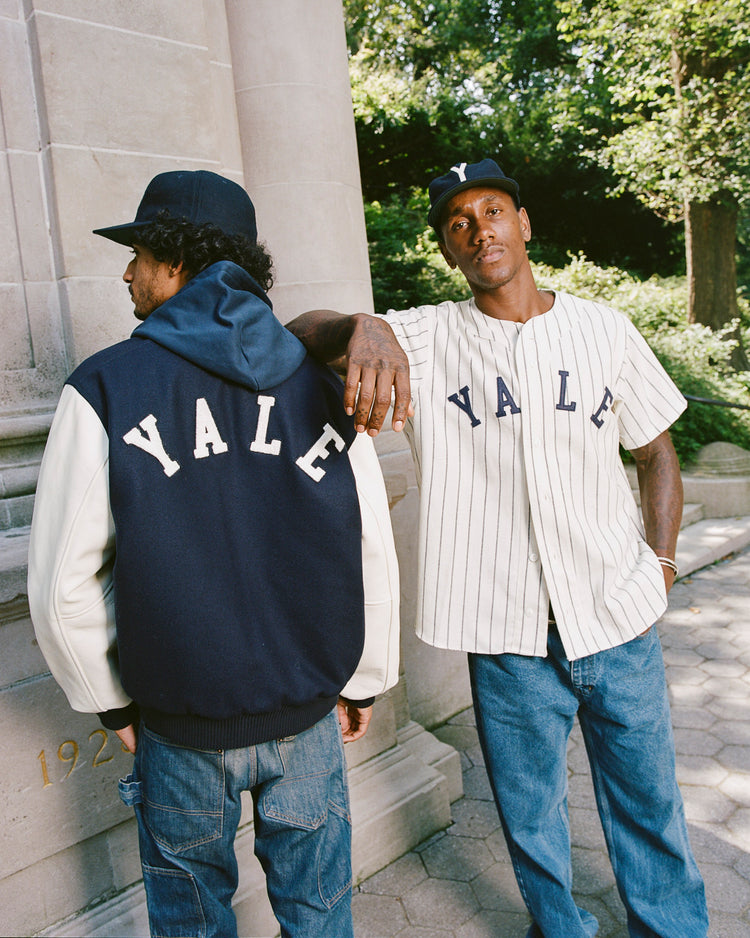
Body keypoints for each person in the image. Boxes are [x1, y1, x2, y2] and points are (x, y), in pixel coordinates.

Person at [287, 159, 709, 937]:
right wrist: (363, 325)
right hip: (504, 629)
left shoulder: (604, 328)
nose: (480, 228)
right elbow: (297, 335)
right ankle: (562, 927)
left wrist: (662, 566)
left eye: (494, 210)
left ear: (524, 224)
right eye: (459, 222)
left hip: (616, 612)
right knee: (532, 816)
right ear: (449, 250)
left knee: (649, 803)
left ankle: (672, 929)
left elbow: (657, 453)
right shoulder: (423, 335)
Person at [27, 169, 400, 938]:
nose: (127, 272)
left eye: (138, 254)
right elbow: (368, 549)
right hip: (307, 722)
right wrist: (365, 681)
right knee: (321, 919)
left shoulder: (104, 386)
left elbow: (63, 584)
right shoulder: (325, 387)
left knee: (192, 925)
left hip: (180, 729)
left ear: (174, 260)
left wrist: (112, 700)